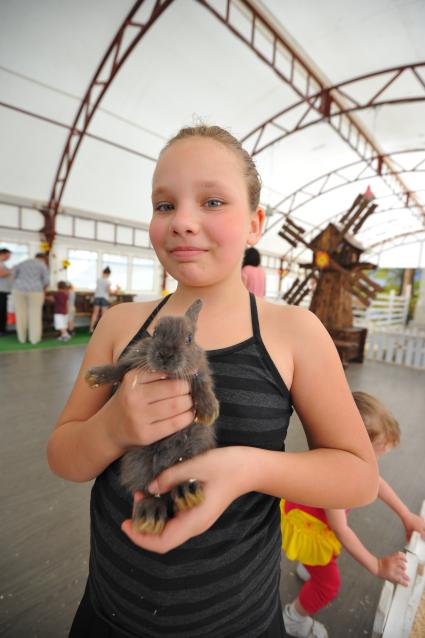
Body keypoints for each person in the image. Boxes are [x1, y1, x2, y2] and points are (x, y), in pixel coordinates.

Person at [47, 125, 379, 638]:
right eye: (164, 205)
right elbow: (63, 455)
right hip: (109, 615)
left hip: (240, 622)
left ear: (254, 224)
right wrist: (112, 427)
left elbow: (357, 476)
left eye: (213, 201)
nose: (182, 221)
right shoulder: (119, 324)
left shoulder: (294, 333)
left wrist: (244, 468)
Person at [281, 391, 425, 638]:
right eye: (375, 454)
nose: (374, 464)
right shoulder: (335, 481)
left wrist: (405, 514)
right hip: (312, 526)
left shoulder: (346, 456)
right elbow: (341, 529)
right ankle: (294, 619)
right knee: (328, 585)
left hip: (309, 513)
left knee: (323, 557)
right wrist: (377, 565)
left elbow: (375, 481)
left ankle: (310, 565)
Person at [12, 252, 49, 344]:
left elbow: (13, 277)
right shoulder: (42, 265)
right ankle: (34, 339)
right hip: (35, 291)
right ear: (43, 259)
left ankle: (22, 339)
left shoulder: (22, 263)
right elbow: (46, 281)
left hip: (19, 290)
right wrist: (42, 288)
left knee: (20, 314)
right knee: (35, 315)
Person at [89, 266, 111, 333]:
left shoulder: (98, 279)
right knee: (104, 314)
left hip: (97, 297)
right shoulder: (108, 281)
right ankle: (103, 330)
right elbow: (108, 291)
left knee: (95, 314)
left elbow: (97, 289)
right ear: (109, 274)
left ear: (103, 272)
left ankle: (91, 328)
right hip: (104, 298)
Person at [0, 248, 12, 336]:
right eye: (8, 255)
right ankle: (1, 330)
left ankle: (3, 329)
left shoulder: (3, 264)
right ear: (3, 254)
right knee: (1, 311)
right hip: (1, 291)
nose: (9, 257)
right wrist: (11, 270)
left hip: (5, 291)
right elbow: (1, 274)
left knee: (3, 311)